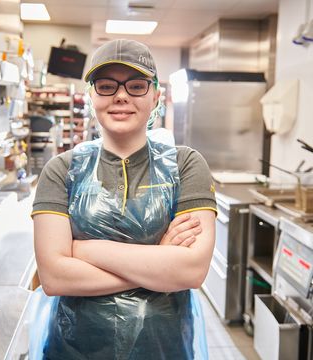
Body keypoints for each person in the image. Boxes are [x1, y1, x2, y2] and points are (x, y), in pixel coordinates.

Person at [32, 39, 217, 359]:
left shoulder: (185, 165)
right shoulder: (61, 170)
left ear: (156, 96)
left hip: (163, 348)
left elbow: (190, 272)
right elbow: (54, 277)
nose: (120, 96)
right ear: (91, 96)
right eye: (106, 86)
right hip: (73, 350)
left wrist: (85, 250)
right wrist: (158, 262)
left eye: (136, 86)